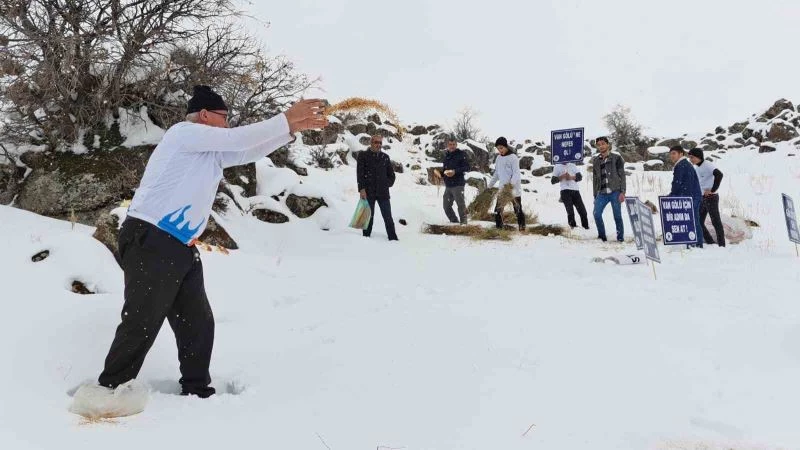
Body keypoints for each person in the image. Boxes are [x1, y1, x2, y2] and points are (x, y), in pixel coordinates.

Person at [70, 86, 327, 415]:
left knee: (197, 321)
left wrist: (289, 130)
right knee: (143, 318)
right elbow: (237, 140)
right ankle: (108, 391)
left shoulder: (208, 151)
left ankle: (196, 391)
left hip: (177, 244)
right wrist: (285, 117)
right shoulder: (185, 133)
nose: (227, 123)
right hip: (151, 237)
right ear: (205, 115)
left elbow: (245, 150)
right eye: (224, 117)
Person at [357, 134, 398, 241]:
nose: (378, 145)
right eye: (376, 142)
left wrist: (386, 184)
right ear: (371, 143)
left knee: (388, 217)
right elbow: (360, 175)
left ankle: (393, 239)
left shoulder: (385, 157)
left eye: (380, 143)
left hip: (383, 193)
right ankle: (365, 238)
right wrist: (362, 189)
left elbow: (392, 175)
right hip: (368, 192)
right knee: (367, 217)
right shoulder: (363, 156)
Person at [688, 148, 725, 247]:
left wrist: (712, 190)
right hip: (702, 198)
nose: (691, 159)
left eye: (692, 157)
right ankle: (710, 242)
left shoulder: (707, 164)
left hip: (711, 197)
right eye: (690, 157)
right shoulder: (697, 168)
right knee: (698, 221)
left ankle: (722, 245)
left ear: (698, 157)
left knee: (715, 221)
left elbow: (719, 175)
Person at [591, 137, 626, 242]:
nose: (601, 146)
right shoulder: (596, 160)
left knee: (617, 216)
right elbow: (595, 179)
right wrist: (595, 195)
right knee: (596, 214)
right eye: (599, 144)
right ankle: (602, 237)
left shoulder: (616, 158)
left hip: (615, 191)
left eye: (603, 144)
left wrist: (623, 192)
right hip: (601, 193)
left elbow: (622, 175)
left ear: (607, 145)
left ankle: (620, 238)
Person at [668, 145, 703, 248]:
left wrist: (673, 195)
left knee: (692, 219)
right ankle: (696, 242)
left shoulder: (681, 165)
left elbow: (677, 183)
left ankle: (696, 242)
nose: (672, 156)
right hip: (692, 195)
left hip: (690, 196)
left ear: (681, 154)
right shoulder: (685, 164)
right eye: (670, 154)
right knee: (693, 219)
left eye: (674, 153)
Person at [488, 137, 525, 230]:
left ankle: (522, 227)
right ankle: (499, 228)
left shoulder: (513, 157)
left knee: (517, 209)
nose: (500, 150)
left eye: (501, 148)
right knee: (497, 210)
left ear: (506, 146)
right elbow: (496, 174)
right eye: (498, 148)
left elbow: (516, 173)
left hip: (513, 190)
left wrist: (510, 185)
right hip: (502, 190)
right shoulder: (498, 158)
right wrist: (489, 186)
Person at [434, 136, 470, 224]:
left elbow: (467, 167)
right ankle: (454, 222)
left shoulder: (461, 154)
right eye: (450, 144)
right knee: (446, 206)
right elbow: (446, 171)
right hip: (448, 186)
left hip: (458, 184)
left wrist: (455, 171)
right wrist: (440, 174)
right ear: (447, 145)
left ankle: (464, 224)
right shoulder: (446, 156)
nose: (452, 146)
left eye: (454, 144)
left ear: (456, 145)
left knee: (460, 205)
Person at [551, 162, 589, 229]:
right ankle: (573, 227)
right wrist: (561, 177)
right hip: (565, 191)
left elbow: (579, 177)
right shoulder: (557, 166)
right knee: (570, 212)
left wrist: (571, 177)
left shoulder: (573, 164)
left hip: (575, 191)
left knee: (583, 211)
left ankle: (586, 227)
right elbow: (553, 181)